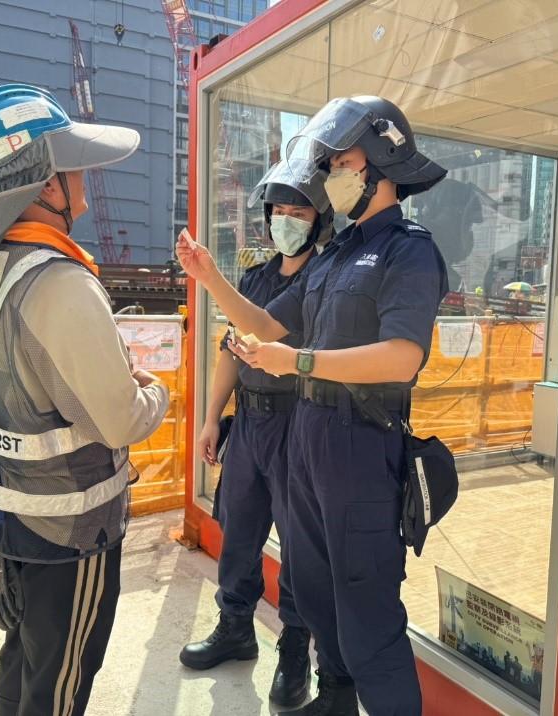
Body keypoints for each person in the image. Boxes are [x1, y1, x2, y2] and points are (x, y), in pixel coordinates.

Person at [177, 95, 448, 716]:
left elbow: (402, 357)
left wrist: (300, 364)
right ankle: (334, 699)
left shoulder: (408, 251)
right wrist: (210, 277)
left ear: (379, 163)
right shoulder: (336, 255)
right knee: (318, 595)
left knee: (367, 613)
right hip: (309, 442)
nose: (331, 176)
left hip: (360, 445)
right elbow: (269, 325)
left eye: (340, 162)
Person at [0, 84, 169, 716]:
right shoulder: (61, 283)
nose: (84, 176)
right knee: (60, 685)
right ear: (46, 184)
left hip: (7, 513)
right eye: (72, 164)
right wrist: (153, 390)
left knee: (26, 660)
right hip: (69, 526)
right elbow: (119, 420)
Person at [179, 162, 333, 709]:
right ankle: (236, 626)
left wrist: (206, 275)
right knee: (238, 529)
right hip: (250, 423)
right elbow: (232, 347)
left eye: (299, 212)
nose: (286, 221)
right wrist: (211, 416)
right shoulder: (258, 276)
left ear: (321, 219)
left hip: (298, 421)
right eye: (279, 212)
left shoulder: (323, 278)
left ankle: (295, 646)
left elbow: (265, 331)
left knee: (298, 541)